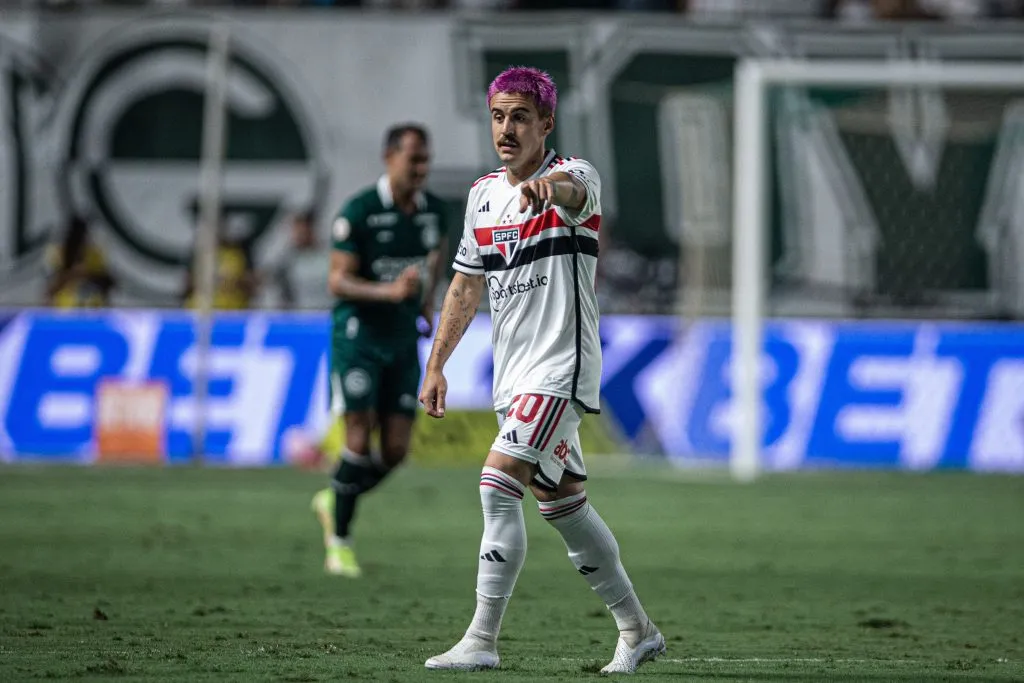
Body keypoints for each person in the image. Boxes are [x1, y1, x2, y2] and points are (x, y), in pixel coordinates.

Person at [417, 67, 664, 674]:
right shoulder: (481, 196)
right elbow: (465, 288)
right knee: (562, 505)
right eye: (498, 116)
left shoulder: (579, 175)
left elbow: (573, 191)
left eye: (520, 117)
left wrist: (546, 189)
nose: (506, 129)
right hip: (513, 377)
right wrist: (436, 365)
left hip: (561, 368)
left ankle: (481, 639)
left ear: (546, 123)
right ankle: (638, 630)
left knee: (496, 483)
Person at [311, 123, 448, 578]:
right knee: (357, 434)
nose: (421, 169)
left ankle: (336, 495)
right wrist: (389, 293)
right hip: (359, 337)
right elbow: (336, 280)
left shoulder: (434, 214)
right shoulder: (360, 211)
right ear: (389, 158)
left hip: (403, 339)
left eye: (426, 160)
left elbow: (432, 266)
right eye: (414, 160)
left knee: (394, 451)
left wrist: (426, 307)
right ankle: (340, 544)